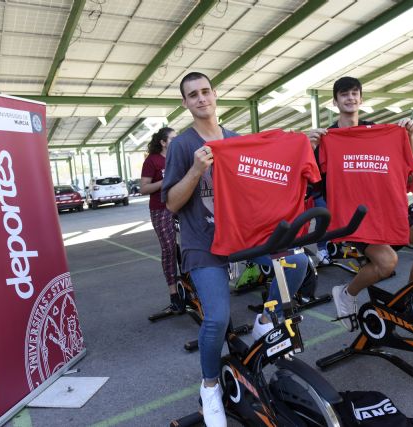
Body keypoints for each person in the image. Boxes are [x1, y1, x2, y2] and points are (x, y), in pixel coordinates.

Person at [161, 72, 308, 427]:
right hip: (203, 241)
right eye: (192, 95)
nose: (200, 98)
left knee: (297, 262)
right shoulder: (183, 146)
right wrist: (196, 169)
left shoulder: (238, 140)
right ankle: (210, 387)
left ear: (215, 95)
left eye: (205, 91)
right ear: (185, 103)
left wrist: (304, 143)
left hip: (242, 234)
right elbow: (171, 203)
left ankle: (264, 320)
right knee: (216, 319)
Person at [308, 76, 413, 331]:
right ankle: (347, 292)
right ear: (335, 102)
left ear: (361, 98)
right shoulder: (328, 138)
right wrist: (309, 146)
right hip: (355, 215)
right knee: (387, 263)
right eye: (344, 94)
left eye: (355, 93)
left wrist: (408, 135)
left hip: (388, 206)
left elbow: (407, 168)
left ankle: (410, 299)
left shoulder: (381, 132)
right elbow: (312, 178)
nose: (350, 97)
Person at [140, 127, 183, 313]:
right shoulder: (152, 160)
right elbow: (143, 188)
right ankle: (174, 293)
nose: (176, 141)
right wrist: (166, 181)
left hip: (181, 206)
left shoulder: (178, 158)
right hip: (160, 210)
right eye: (172, 139)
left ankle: (191, 285)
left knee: (189, 244)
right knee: (169, 248)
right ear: (163, 142)